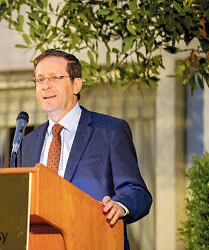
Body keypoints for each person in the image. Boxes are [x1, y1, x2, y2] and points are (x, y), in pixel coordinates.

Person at [16, 49, 152, 249]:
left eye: (54, 77)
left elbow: (137, 192)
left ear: (76, 84)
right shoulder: (27, 144)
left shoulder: (109, 131)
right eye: (40, 79)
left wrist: (120, 205)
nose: (45, 86)